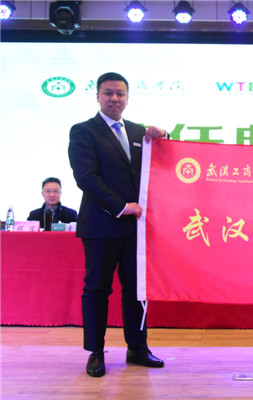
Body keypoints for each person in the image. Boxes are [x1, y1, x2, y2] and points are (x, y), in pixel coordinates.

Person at [68, 72, 168, 378]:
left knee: (137, 291)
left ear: (127, 98)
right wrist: (121, 206)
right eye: (108, 93)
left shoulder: (139, 131)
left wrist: (164, 138)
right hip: (101, 225)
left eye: (120, 94)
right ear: (97, 96)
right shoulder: (84, 131)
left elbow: (160, 165)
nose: (115, 99)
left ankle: (137, 348)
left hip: (136, 229)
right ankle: (95, 352)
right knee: (97, 289)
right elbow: (86, 177)